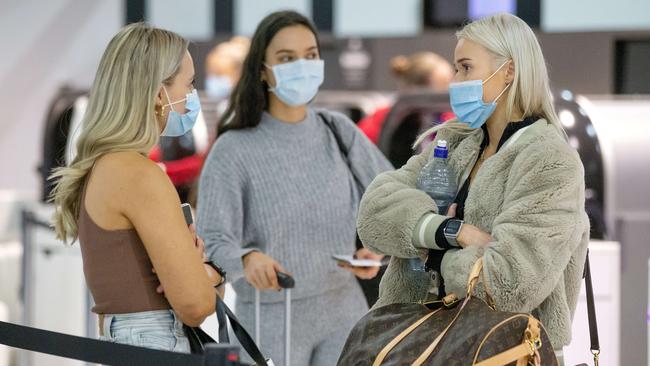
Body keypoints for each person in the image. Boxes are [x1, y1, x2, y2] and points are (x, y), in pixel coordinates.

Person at [356, 13, 589, 364]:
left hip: (502, 352)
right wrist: (454, 232)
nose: (456, 80)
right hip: (419, 342)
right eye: (456, 68)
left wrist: (425, 247)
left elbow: (510, 282)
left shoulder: (549, 160)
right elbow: (375, 214)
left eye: (466, 68)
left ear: (508, 71)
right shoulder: (456, 142)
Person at [196, 11, 392, 365]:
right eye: (286, 58)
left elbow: (392, 201)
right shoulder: (234, 149)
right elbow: (212, 239)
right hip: (271, 318)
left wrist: (376, 249)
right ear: (261, 69)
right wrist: (246, 258)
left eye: (311, 55)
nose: (302, 65)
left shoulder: (338, 130)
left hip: (344, 309)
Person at [50, 23, 223, 352]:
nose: (192, 98)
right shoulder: (139, 175)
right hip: (158, 345)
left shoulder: (106, 168)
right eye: (188, 85)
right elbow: (197, 305)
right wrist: (211, 272)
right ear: (160, 94)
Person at [357, 51, 454, 145]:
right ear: (415, 90)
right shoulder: (381, 122)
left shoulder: (452, 120)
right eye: (444, 85)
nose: (450, 90)